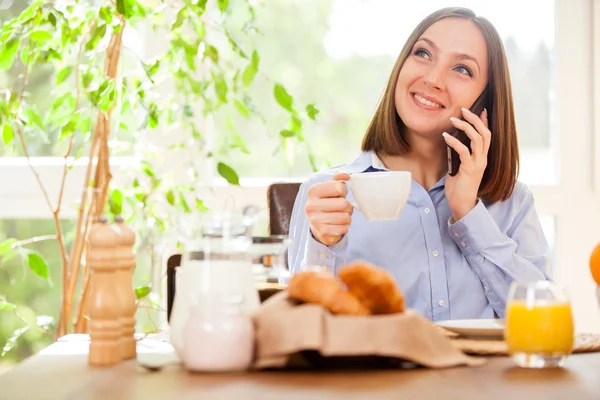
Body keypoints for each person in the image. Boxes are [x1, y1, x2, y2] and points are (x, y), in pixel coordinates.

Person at [287, 7, 550, 321]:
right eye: (423, 53)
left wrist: (468, 212)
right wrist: (323, 245)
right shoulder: (328, 195)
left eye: (463, 69)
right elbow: (303, 329)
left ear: (486, 102)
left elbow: (542, 319)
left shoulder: (513, 203)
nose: (433, 79)